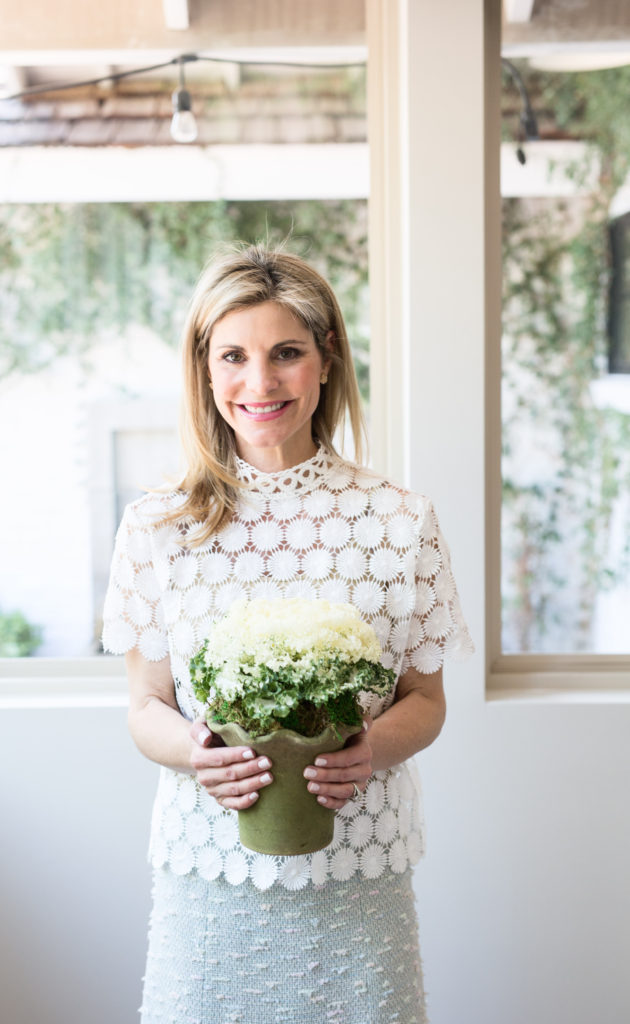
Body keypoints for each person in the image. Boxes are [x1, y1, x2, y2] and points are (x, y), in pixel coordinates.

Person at [102, 243, 473, 1024]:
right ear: (204, 369)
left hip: (358, 874)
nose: (259, 382)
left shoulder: (400, 521)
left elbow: (426, 702)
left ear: (327, 359)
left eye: (286, 354)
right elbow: (147, 707)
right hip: (209, 876)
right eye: (233, 355)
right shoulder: (157, 527)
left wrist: (374, 750)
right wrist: (197, 755)